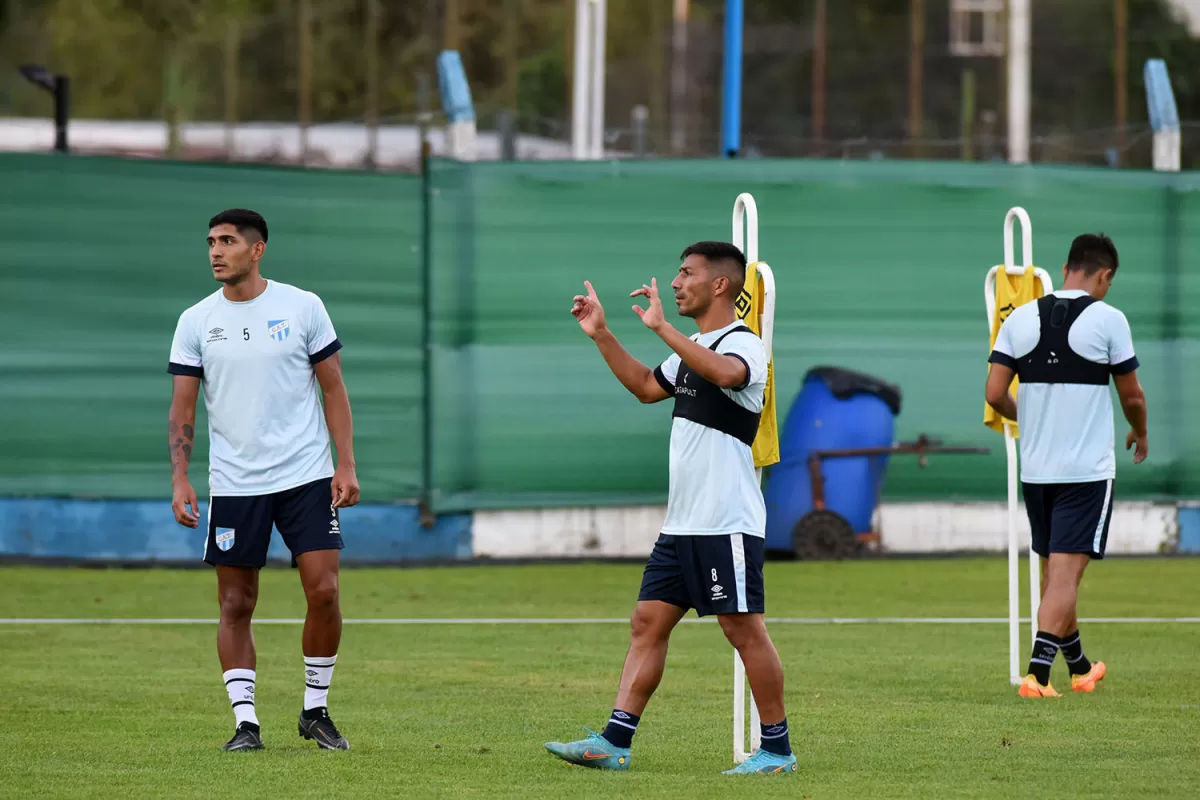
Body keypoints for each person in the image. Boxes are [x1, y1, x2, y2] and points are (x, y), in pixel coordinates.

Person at [545, 241, 797, 775]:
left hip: (725, 522)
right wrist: (603, 334)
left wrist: (663, 329)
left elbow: (728, 375)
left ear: (721, 285)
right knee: (647, 623)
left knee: (743, 630)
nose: (676, 282)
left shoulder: (743, 344)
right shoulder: (693, 345)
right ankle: (615, 742)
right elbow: (643, 386)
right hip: (682, 524)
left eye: (686, 274)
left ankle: (776, 750)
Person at [167, 209, 359, 750]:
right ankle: (245, 724)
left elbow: (334, 387)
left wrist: (345, 463)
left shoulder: (303, 306)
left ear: (257, 249)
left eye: (227, 241)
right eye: (210, 242)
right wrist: (181, 477)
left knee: (324, 590)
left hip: (306, 475)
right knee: (236, 604)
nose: (215, 251)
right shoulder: (195, 321)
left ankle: (315, 711)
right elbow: (182, 407)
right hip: (234, 483)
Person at [985, 233, 1147, 699]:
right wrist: (1141, 430)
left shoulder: (1019, 318)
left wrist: (1031, 418)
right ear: (1105, 275)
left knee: (1056, 575)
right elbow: (1132, 394)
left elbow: (995, 395)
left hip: (1036, 471)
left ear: (1065, 268)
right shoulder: (1109, 319)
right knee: (1064, 578)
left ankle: (1079, 668)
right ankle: (1037, 675)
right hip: (1086, 472)